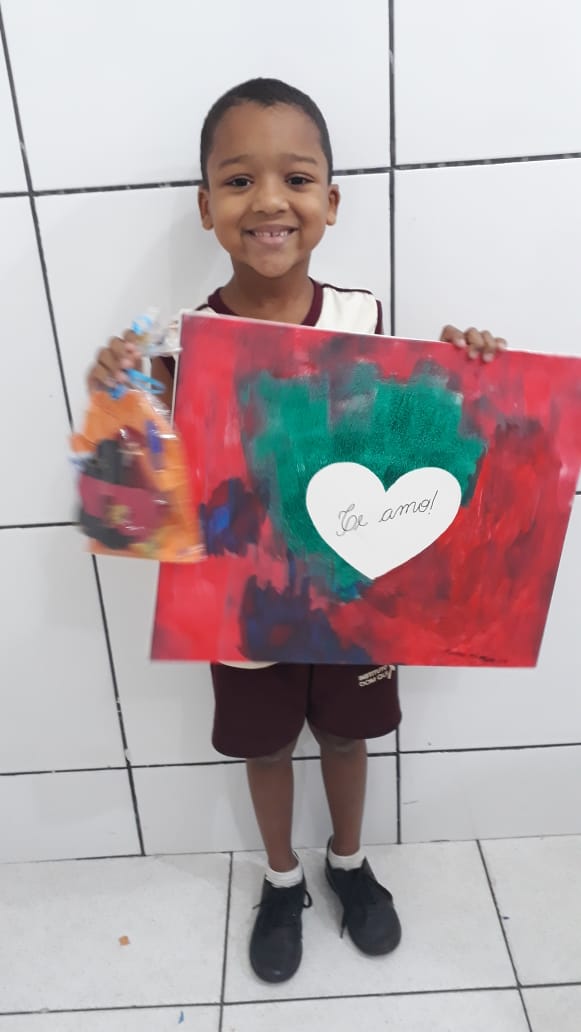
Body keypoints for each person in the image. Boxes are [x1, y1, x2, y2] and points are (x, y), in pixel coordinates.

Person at [87, 78, 507, 984]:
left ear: (330, 201)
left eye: (297, 178)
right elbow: (139, 507)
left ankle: (347, 863)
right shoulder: (182, 344)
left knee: (349, 738)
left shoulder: (365, 319)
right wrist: (120, 399)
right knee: (266, 745)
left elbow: (410, 451)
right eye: (239, 180)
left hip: (354, 596)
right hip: (243, 608)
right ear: (206, 207)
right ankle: (282, 880)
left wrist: (464, 373)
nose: (269, 200)